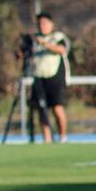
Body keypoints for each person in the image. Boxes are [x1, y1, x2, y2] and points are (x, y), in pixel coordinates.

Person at [29, 12, 70, 144]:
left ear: (51, 24)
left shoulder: (58, 37)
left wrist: (45, 44)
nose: (42, 26)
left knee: (57, 107)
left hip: (55, 78)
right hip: (39, 78)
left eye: (45, 23)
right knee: (42, 109)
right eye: (40, 24)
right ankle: (47, 139)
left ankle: (63, 136)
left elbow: (62, 49)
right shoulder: (34, 39)